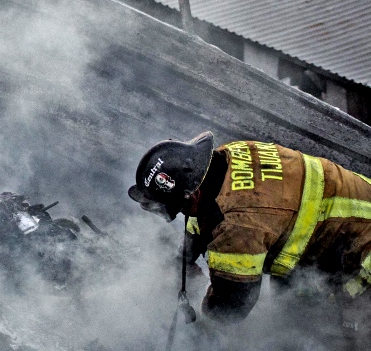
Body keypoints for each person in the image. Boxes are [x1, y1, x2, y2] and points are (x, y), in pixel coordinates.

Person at [128, 133, 371, 322]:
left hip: (362, 255)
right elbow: (205, 210)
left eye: (180, 208)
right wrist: (184, 257)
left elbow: (232, 305)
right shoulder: (229, 154)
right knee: (292, 292)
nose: (183, 214)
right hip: (353, 207)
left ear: (193, 194)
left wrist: (202, 328)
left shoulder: (237, 229)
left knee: (330, 331)